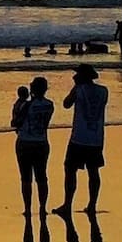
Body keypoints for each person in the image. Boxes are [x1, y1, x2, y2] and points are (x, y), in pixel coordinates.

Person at [55, 65, 108, 215]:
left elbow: (66, 104)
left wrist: (75, 88)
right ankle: (92, 205)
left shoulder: (79, 90)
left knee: (70, 169)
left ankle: (67, 204)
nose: (74, 77)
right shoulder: (103, 91)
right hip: (96, 138)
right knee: (94, 172)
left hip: (79, 138)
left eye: (77, 74)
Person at [14, 78, 54, 215]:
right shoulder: (50, 105)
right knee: (42, 176)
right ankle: (42, 207)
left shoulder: (26, 105)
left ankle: (27, 208)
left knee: (26, 178)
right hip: (41, 141)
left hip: (25, 142)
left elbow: (16, 122)